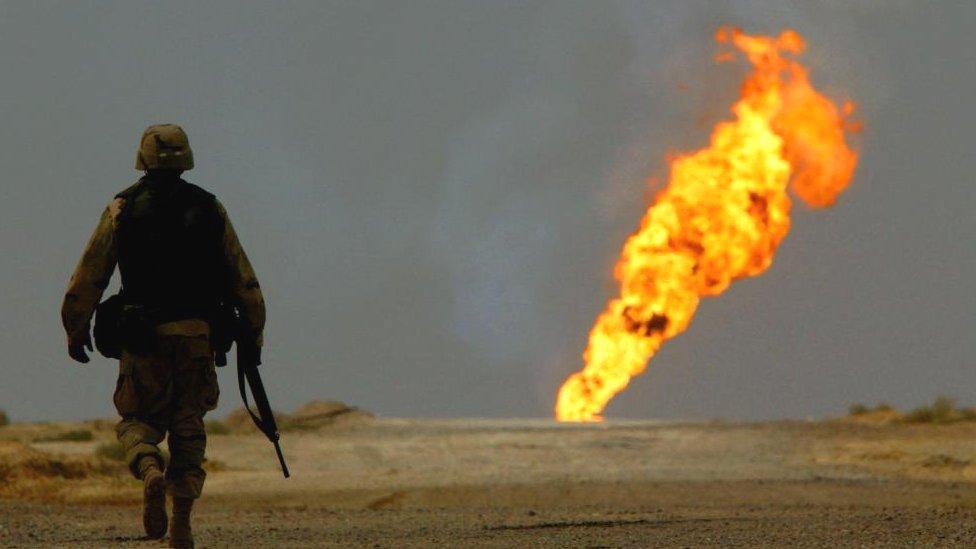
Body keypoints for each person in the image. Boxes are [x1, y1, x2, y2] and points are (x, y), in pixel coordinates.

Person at [60, 124, 265, 548]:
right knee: (189, 426)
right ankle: (182, 522)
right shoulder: (210, 209)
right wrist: (255, 333)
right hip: (196, 339)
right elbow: (243, 280)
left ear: (144, 158)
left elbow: (88, 277)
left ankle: (149, 466)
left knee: (136, 421)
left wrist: (74, 328)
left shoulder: (122, 209)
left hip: (142, 341)